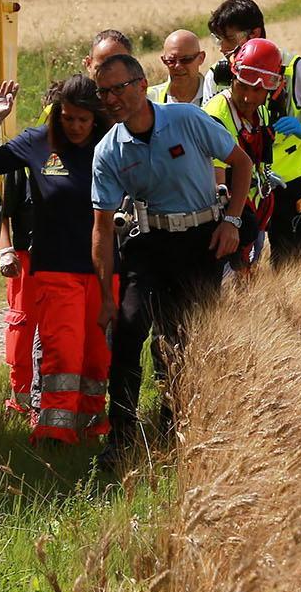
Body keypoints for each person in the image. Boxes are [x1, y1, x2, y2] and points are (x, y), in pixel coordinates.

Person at [89, 52, 252, 462]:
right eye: (103, 92)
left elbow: (241, 162)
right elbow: (102, 227)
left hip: (201, 242)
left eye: (118, 88)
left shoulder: (187, 120)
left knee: (182, 339)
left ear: (142, 85)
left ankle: (175, 426)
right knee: (128, 331)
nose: (111, 99)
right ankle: (120, 439)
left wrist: (232, 221)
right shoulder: (108, 150)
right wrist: (106, 297)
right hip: (148, 244)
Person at [0, 74, 113, 443]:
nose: (75, 126)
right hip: (56, 269)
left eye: (83, 119)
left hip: (104, 271)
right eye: (68, 118)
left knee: (97, 357)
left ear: (95, 117)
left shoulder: (113, 144)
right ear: (57, 113)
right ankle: (53, 433)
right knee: (62, 354)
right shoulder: (39, 142)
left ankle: (92, 425)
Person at [206, 0, 301, 266]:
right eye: (218, 39)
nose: (222, 47)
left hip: (289, 184)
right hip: (240, 187)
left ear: (254, 33)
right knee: (239, 270)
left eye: (229, 39)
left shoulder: (296, 69)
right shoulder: (218, 75)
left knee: (293, 265)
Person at [203, 38, 289, 276]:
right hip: (229, 224)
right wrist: (231, 223)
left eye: (257, 90)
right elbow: (217, 185)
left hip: (253, 215)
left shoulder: (260, 112)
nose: (248, 97)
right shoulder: (216, 117)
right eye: (242, 87)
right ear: (231, 78)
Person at [147, 29, 212, 105]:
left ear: (201, 58)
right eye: (171, 61)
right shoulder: (149, 99)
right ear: (163, 60)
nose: (178, 66)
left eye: (186, 59)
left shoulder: (216, 96)